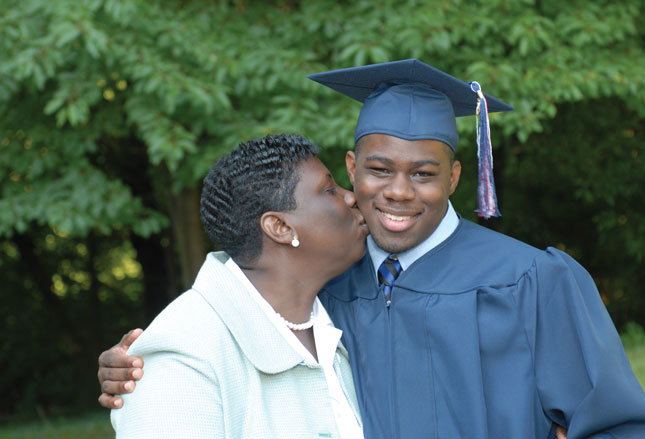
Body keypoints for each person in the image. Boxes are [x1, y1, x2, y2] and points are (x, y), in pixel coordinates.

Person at [99, 60, 645, 438]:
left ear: (454, 177)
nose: (399, 192)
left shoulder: (530, 280)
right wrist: (136, 368)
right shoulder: (324, 286)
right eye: (378, 170)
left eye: (424, 174)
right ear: (354, 169)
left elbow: (617, 425)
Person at [109, 133, 367, 438]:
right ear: (280, 228)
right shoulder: (182, 358)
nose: (351, 196)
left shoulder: (343, 316)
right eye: (329, 189)